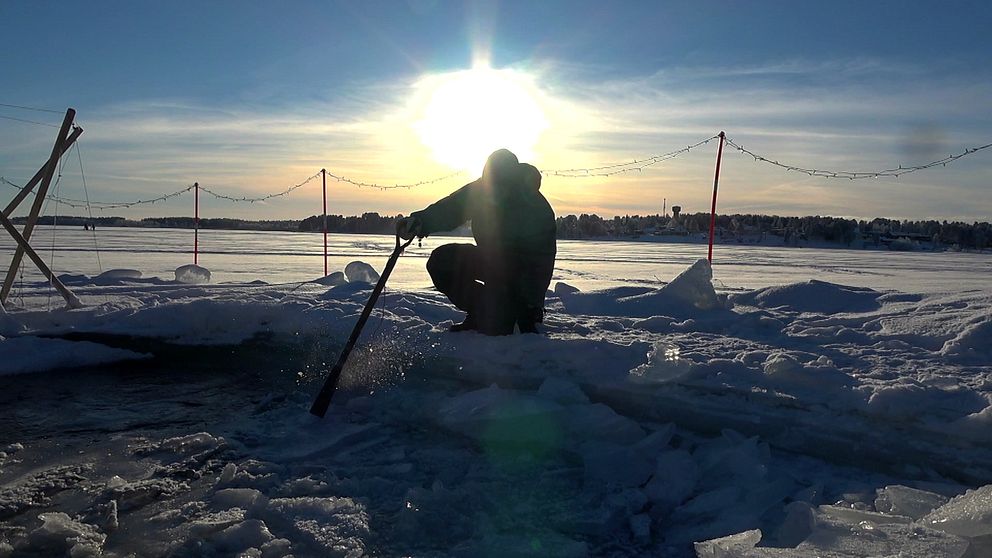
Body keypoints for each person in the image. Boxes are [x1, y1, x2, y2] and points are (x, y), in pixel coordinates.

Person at [397, 149, 556, 335]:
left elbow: (541, 262)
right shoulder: (483, 190)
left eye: (500, 184)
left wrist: (528, 306)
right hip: (494, 264)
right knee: (441, 261)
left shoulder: (534, 207)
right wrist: (420, 222)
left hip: (521, 275)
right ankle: (482, 312)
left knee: (501, 324)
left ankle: (505, 313)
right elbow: (452, 208)